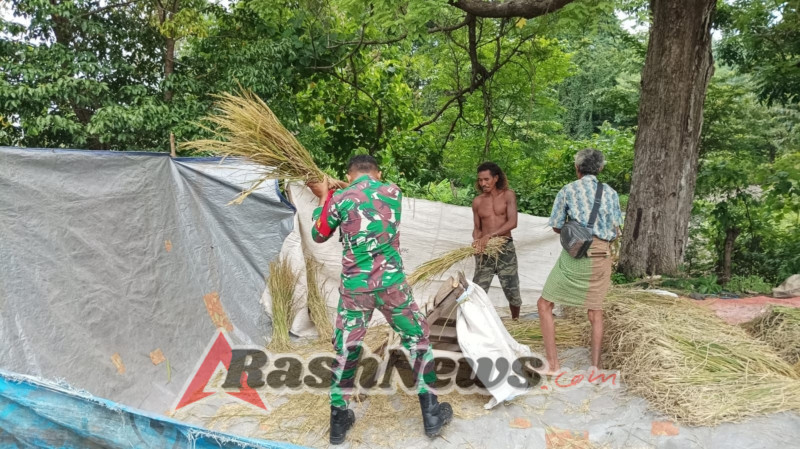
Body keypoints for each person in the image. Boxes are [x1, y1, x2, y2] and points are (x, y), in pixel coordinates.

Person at [307, 155, 452, 445]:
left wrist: (324, 197)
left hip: (355, 289)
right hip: (391, 285)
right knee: (417, 340)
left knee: (347, 349)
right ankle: (432, 414)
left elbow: (319, 234)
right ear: (378, 172)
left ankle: (338, 422)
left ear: (348, 175)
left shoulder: (339, 199)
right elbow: (366, 195)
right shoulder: (393, 191)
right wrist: (335, 193)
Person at [538, 148, 623, 374]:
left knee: (544, 304)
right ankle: (595, 367)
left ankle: (554, 365)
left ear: (577, 168)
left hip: (575, 256)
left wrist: (575, 230)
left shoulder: (568, 190)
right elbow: (616, 230)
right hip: (601, 256)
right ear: (600, 168)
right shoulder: (611, 193)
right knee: (595, 312)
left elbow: (556, 225)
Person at [471, 162, 523, 320]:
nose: (483, 183)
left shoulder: (508, 195)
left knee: (512, 289)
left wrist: (490, 236)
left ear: (496, 178)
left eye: (486, 179)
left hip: (504, 248)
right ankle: (476, 323)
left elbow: (512, 222)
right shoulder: (478, 201)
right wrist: (477, 239)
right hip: (485, 250)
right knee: (477, 290)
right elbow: (477, 228)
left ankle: (516, 321)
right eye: (480, 180)